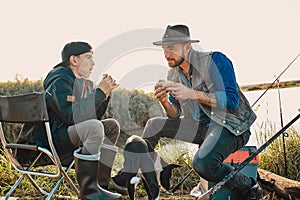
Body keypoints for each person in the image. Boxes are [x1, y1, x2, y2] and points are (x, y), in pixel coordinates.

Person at [43, 41, 121, 199]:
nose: (93, 64)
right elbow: (71, 117)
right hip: (53, 138)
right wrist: (99, 92)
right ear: (74, 60)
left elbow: (92, 118)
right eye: (89, 58)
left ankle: (102, 184)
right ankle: (89, 191)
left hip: (69, 134)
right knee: (94, 127)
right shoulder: (60, 80)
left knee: (111, 126)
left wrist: (104, 95)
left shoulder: (83, 84)